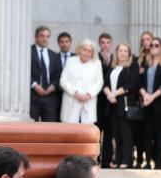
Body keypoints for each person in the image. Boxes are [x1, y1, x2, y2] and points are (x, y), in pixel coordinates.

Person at [103, 43, 139, 169]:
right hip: (112, 105)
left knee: (126, 133)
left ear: (129, 53)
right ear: (116, 52)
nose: (123, 53)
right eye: (120, 50)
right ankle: (117, 159)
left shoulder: (132, 66)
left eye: (125, 51)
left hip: (124, 104)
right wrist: (109, 94)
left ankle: (127, 160)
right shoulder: (112, 66)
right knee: (116, 134)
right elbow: (105, 82)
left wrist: (114, 94)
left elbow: (131, 84)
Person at [139, 37, 161, 169]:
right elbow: (139, 82)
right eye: (151, 45)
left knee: (159, 133)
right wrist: (145, 95)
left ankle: (158, 162)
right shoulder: (145, 63)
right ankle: (148, 161)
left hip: (159, 104)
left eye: (157, 45)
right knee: (147, 133)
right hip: (146, 103)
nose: (153, 47)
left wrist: (152, 97)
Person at [59, 39, 103, 124]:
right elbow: (63, 80)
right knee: (69, 130)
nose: (86, 53)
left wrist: (89, 94)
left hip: (88, 101)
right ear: (80, 49)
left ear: (92, 53)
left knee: (87, 131)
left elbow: (99, 82)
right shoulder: (71, 61)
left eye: (89, 51)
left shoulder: (97, 63)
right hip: (72, 98)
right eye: (84, 50)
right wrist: (75, 93)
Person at [30, 26, 61, 122]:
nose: (45, 39)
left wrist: (52, 86)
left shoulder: (54, 55)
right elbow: (23, 71)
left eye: (47, 36)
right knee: (31, 128)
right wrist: (34, 85)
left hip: (49, 96)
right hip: (32, 95)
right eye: (42, 36)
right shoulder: (28, 52)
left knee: (50, 128)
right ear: (36, 37)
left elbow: (59, 74)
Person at [134, 31, 154, 168]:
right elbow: (135, 80)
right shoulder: (138, 59)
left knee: (150, 132)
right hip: (140, 100)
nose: (146, 42)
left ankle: (150, 160)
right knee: (139, 132)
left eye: (148, 39)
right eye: (143, 40)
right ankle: (139, 159)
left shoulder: (157, 58)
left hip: (154, 100)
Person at [96, 33, 114, 168]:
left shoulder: (115, 58)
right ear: (99, 44)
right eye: (103, 42)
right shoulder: (95, 58)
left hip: (111, 101)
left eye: (108, 42)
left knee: (109, 133)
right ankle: (96, 159)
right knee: (97, 132)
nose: (105, 45)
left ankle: (107, 160)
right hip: (97, 101)